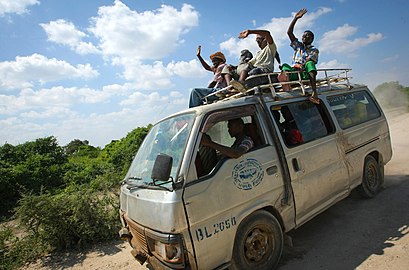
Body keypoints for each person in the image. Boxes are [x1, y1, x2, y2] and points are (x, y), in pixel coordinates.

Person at [279, 8, 320, 104]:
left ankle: (314, 92)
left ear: (312, 39)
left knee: (310, 64)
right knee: (285, 65)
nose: (304, 37)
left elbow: (310, 59)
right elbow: (289, 33)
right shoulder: (298, 46)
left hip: (305, 74)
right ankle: (287, 88)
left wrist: (301, 65)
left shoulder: (314, 50)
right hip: (295, 73)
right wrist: (295, 18)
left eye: (307, 36)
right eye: (303, 36)